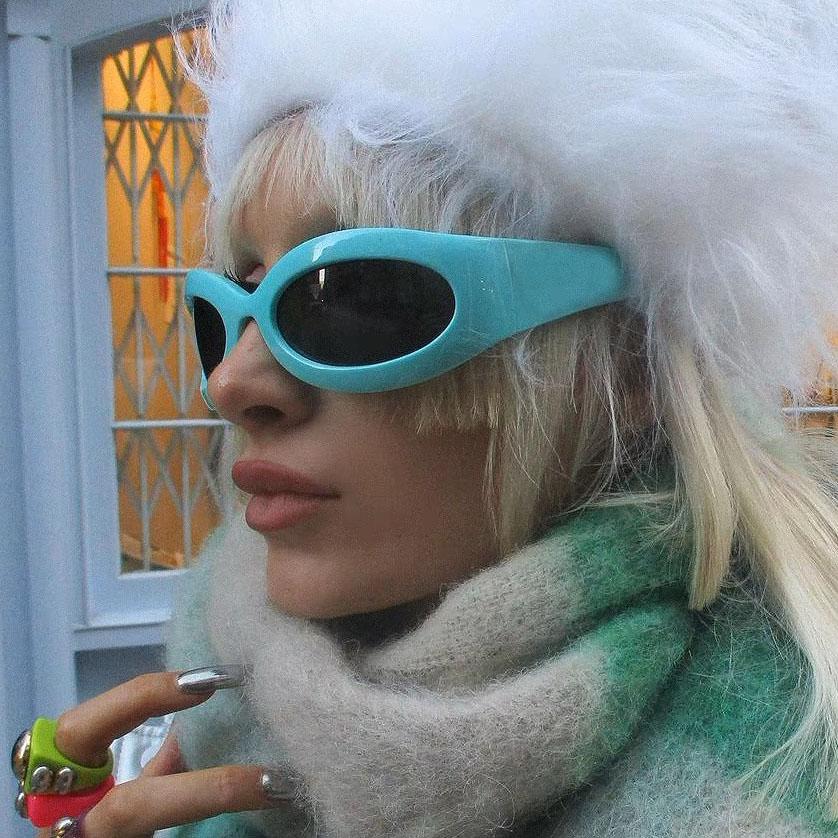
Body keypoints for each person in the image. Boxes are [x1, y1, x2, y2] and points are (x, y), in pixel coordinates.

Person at [15, 0, 838, 835]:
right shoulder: (221, 715)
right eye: (228, 304)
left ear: (628, 365)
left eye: (350, 296)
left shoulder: (791, 776)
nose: (232, 383)